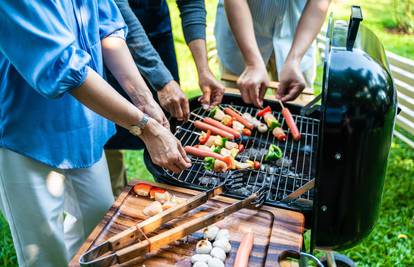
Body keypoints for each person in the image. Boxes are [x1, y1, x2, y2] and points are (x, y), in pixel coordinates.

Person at [0, 1, 190, 266]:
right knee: (43, 254)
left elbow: (107, 27)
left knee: (98, 232)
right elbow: (62, 66)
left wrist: (143, 99)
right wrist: (144, 127)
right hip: (27, 135)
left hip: (85, 127)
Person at [105, 0, 225, 195]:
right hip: (109, 44)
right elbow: (114, 12)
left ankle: (171, 191)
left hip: (155, 27)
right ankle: (113, 195)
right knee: (108, 136)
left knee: (166, 126)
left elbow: (191, 3)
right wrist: (162, 80)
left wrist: (204, 70)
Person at [215, 0, 331, 107]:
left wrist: (294, 60)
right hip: (242, 39)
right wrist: (252, 63)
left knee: (297, 109)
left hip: (298, 39)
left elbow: (320, 3)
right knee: (235, 106)